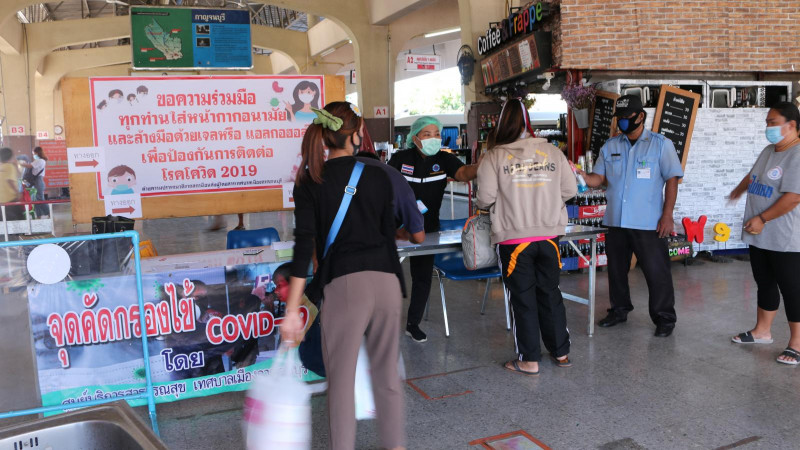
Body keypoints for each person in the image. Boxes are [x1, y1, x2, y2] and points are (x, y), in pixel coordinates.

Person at [281, 102, 406, 450]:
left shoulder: (310, 180)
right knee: (387, 377)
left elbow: (304, 247)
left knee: (340, 382)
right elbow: (389, 231)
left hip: (345, 288)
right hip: (387, 282)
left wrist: (293, 310)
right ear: (357, 132)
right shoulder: (378, 173)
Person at [477, 99, 577, 375]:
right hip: (549, 236)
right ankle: (561, 353)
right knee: (550, 293)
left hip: (514, 238)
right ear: (527, 122)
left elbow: (484, 198)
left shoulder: (494, 156)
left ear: (500, 124)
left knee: (522, 298)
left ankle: (529, 360)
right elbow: (569, 190)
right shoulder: (552, 152)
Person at [578, 94, 683, 337]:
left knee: (657, 273)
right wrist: (581, 176)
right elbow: (599, 179)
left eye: (627, 118)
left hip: (648, 223)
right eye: (619, 118)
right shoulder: (610, 146)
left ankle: (664, 318)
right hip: (616, 220)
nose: (622, 122)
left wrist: (668, 215)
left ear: (640, 117)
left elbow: (672, 179)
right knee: (616, 271)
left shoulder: (660, 144)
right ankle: (619, 309)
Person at [388, 116, 481, 342]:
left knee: (422, 277)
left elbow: (464, 174)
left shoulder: (444, 159)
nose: (433, 138)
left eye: (436, 134)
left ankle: (413, 323)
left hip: (428, 229)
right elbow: (383, 186)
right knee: (387, 274)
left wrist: (484, 164)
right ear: (415, 137)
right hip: (394, 228)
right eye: (427, 134)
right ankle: (380, 321)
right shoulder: (401, 158)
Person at [729, 102, 800, 365]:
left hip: (786, 238)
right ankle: (762, 331)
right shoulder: (769, 150)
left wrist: (762, 218)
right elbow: (753, 176)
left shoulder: (797, 155)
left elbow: (793, 197)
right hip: (760, 235)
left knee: (792, 289)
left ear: (791, 125)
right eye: (767, 123)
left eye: (772, 122)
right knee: (765, 282)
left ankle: (797, 343)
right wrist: (738, 190)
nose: (768, 127)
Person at [356, 151, 425, 243]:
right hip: (377, 250)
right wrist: (404, 234)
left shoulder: (336, 176)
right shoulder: (396, 180)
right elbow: (418, 237)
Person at [19, 147, 48, 218]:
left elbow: (29, 166)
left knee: (40, 198)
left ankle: (48, 212)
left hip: (38, 180)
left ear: (37, 153)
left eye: (33, 153)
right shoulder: (38, 160)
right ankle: (39, 215)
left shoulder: (40, 160)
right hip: (36, 180)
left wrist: (21, 164)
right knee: (36, 199)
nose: (33, 155)